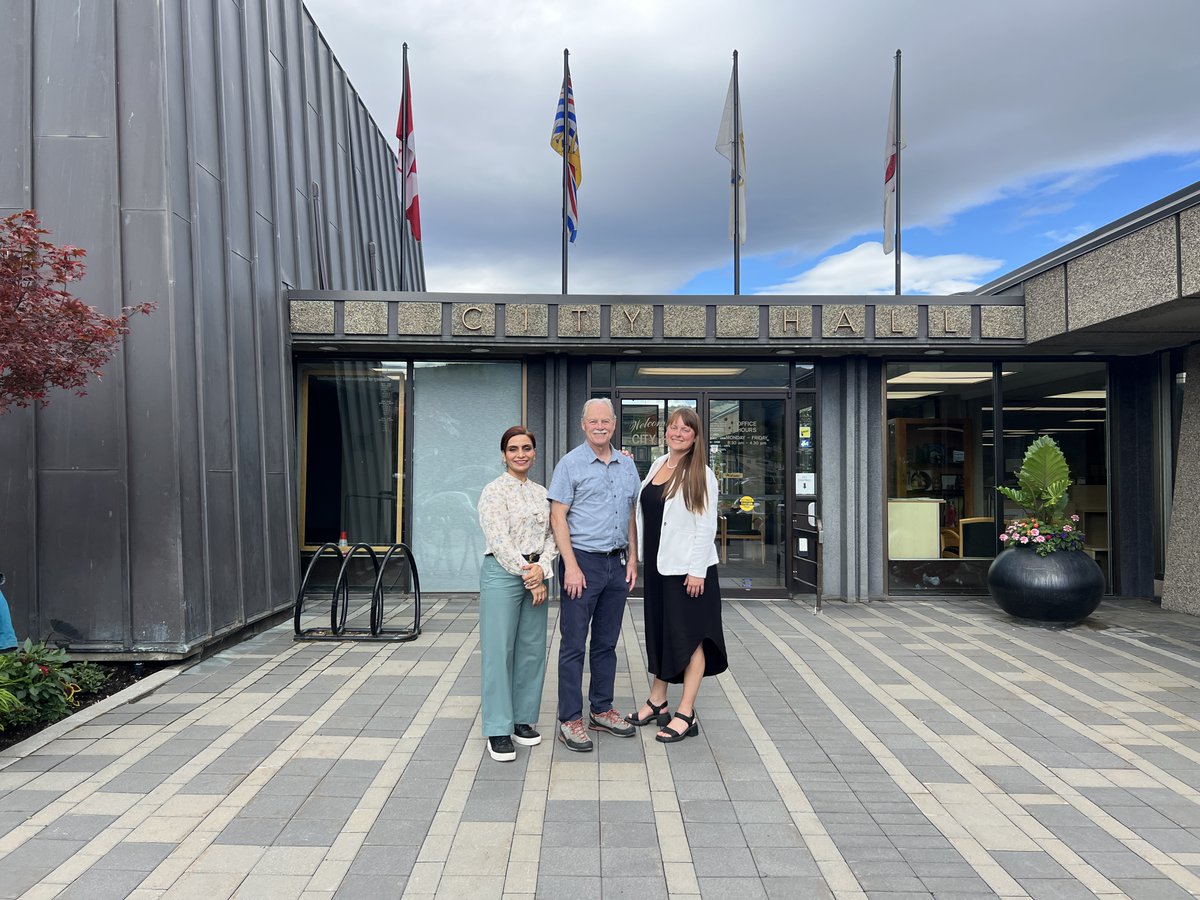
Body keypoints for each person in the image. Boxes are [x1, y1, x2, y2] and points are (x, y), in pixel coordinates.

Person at [628, 406, 728, 743]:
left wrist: (697, 571)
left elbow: (705, 525)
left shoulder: (702, 474)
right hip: (659, 567)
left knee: (690, 638)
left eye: (686, 429)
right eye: (673, 427)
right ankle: (658, 702)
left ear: (696, 436)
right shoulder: (658, 464)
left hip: (688, 572)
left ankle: (686, 712)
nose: (678, 433)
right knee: (662, 633)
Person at [548, 398, 641, 752]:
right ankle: (569, 719)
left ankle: (601, 710)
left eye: (606, 421)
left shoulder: (627, 466)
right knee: (573, 645)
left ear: (614, 424)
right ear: (583, 425)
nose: (600, 426)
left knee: (606, 643)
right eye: (594, 421)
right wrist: (570, 566)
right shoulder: (570, 464)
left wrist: (633, 559)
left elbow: (630, 513)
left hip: (616, 564)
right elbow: (558, 518)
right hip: (581, 563)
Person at [477, 426, 558, 762]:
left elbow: (553, 535)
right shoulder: (493, 492)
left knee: (531, 650)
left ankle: (523, 720)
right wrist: (531, 576)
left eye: (526, 448)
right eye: (513, 449)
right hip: (503, 574)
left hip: (536, 573)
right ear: (503, 454)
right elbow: (498, 541)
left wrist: (542, 568)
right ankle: (498, 728)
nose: (520, 454)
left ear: (534, 452)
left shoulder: (542, 493)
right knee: (499, 651)